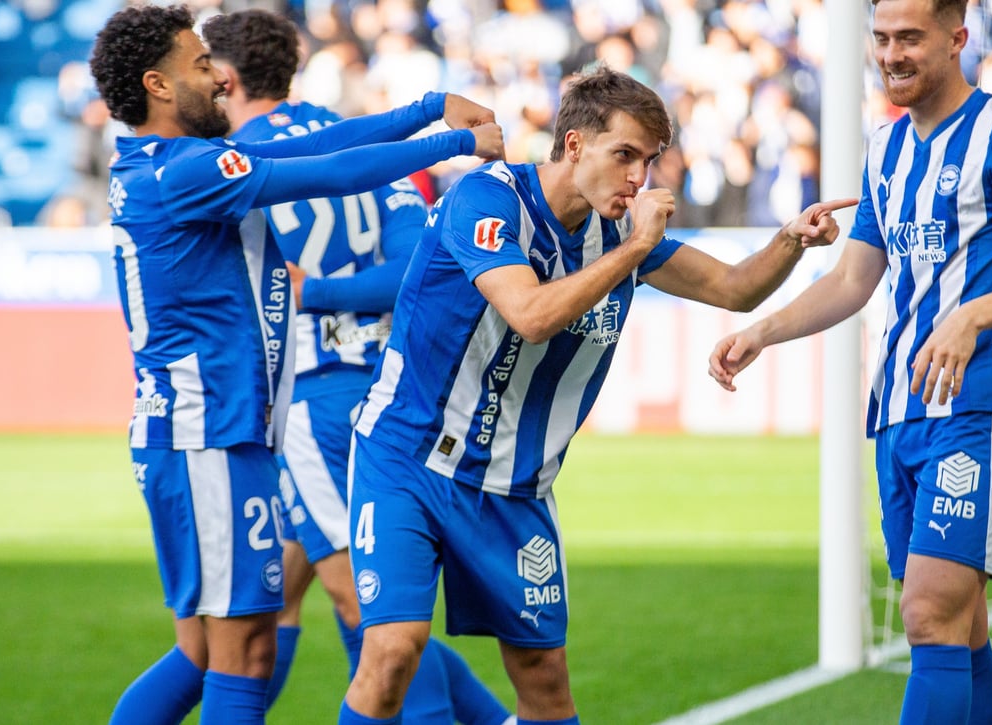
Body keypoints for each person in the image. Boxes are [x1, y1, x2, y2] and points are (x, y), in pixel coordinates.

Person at [339, 64, 855, 724]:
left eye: (649, 161)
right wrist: (639, 246)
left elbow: (733, 288)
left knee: (545, 680)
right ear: (575, 144)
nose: (639, 178)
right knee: (392, 653)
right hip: (408, 459)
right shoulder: (488, 200)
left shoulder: (616, 237)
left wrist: (791, 239)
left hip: (513, 483)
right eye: (625, 155)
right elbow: (528, 311)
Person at [88, 4, 503, 724]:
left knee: (206, 650)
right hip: (210, 431)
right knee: (246, 648)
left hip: (215, 430)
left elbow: (327, 146)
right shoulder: (187, 170)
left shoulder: (163, 166)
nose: (217, 78)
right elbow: (336, 167)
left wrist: (430, 110)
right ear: (157, 85)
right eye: (198, 65)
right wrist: (451, 139)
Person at [708, 1, 992, 723]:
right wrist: (764, 330)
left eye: (909, 38)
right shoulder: (885, 148)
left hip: (981, 405)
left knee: (927, 615)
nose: (891, 54)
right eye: (881, 39)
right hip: (898, 411)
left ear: (956, 39)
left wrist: (973, 314)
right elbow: (855, 278)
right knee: (960, 629)